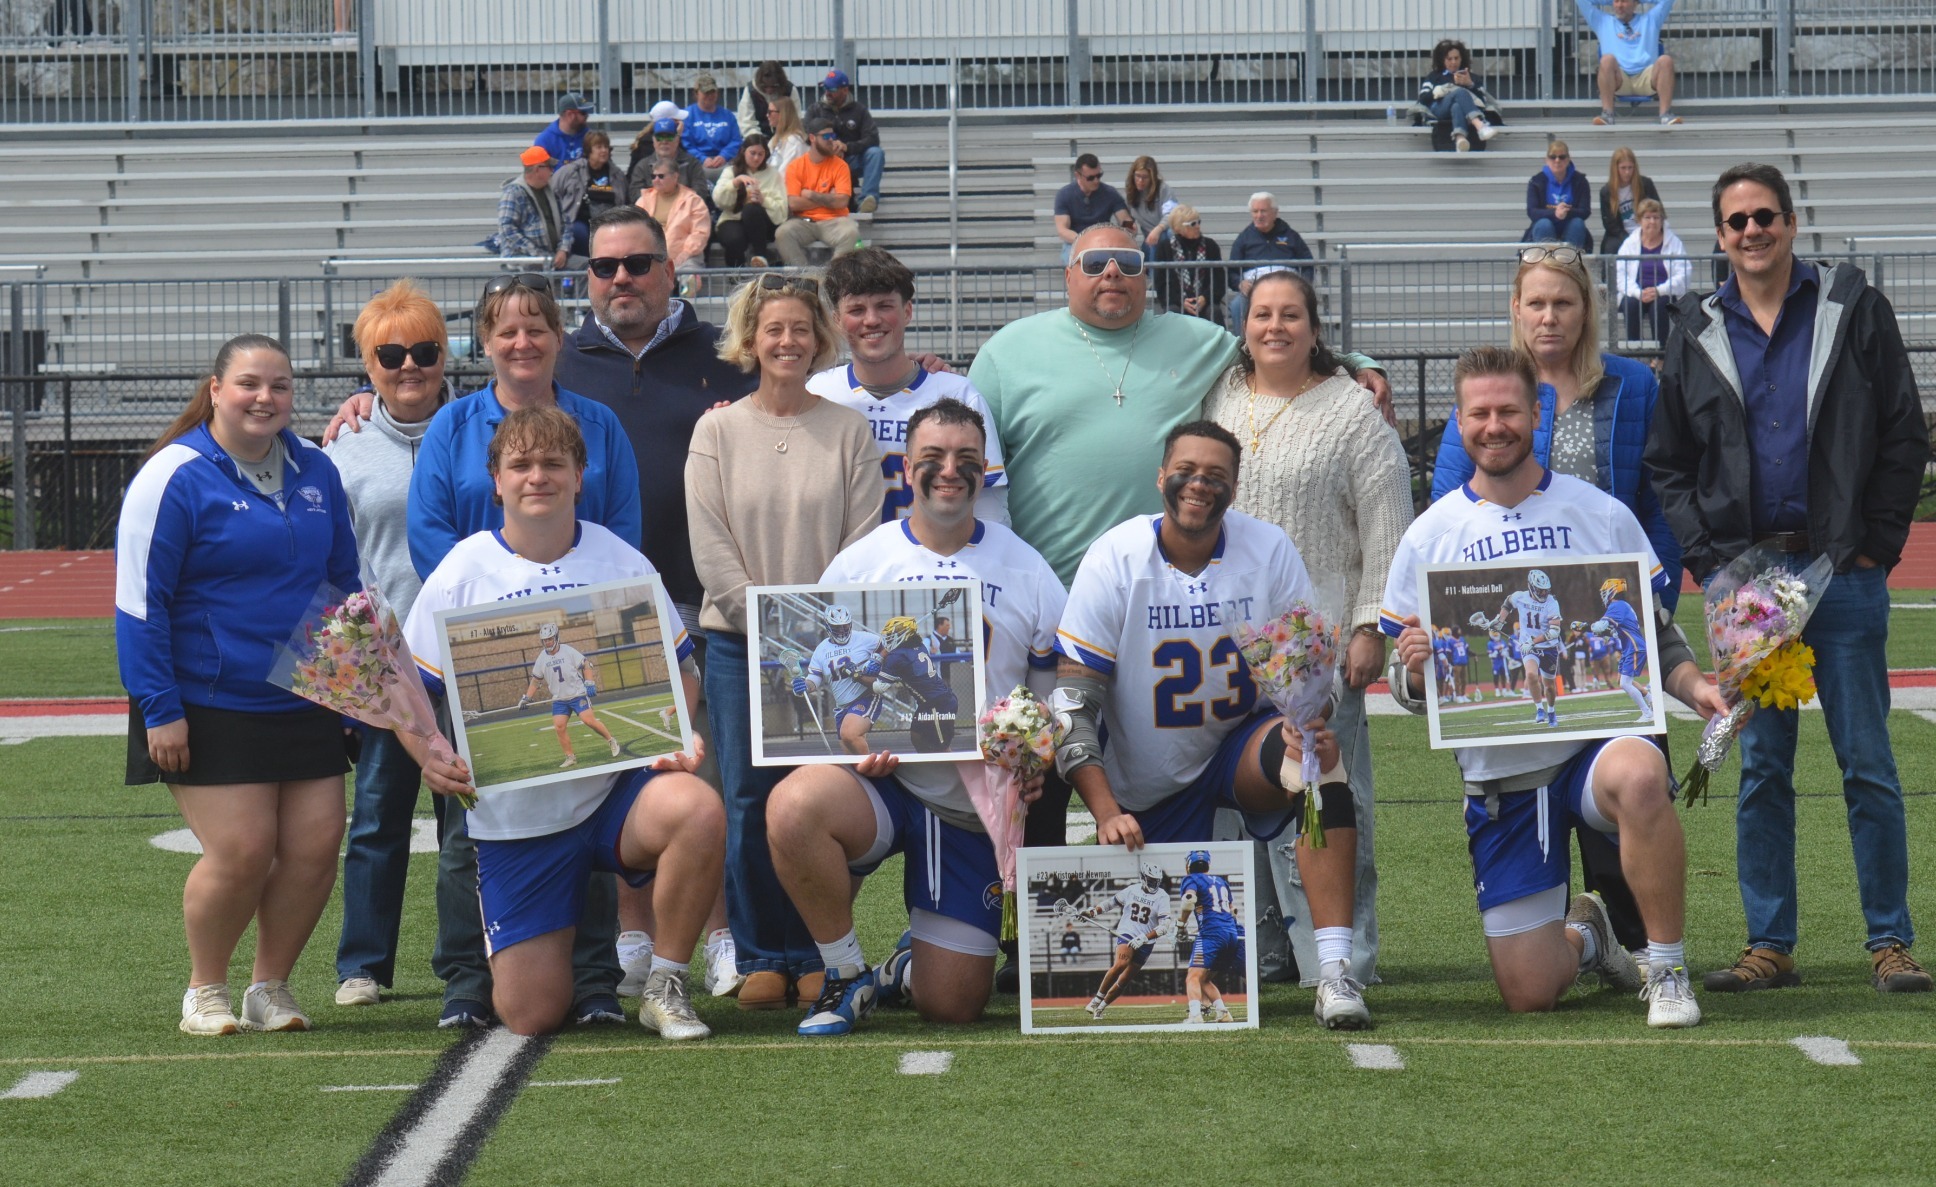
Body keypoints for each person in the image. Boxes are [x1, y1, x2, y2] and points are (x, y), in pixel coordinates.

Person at [1647, 161, 1932, 995]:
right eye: (1735, 221)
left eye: (1764, 215)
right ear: (1721, 234)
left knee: (1868, 761)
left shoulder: (1852, 306)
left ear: (1791, 221)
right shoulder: (1695, 325)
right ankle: (1769, 941)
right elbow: (1670, 462)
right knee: (1763, 768)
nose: (1752, 232)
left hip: (1840, 570)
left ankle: (1891, 940)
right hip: (1749, 580)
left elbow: (1902, 430)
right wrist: (1710, 563)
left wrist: (1874, 541)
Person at [1382, 345, 1724, 1027]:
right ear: (1460, 420)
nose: (1495, 424)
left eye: (1509, 409)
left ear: (1535, 412)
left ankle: (1668, 967)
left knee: (1640, 771)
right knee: (1529, 990)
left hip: (1591, 746)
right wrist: (1415, 666)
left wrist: (1695, 688)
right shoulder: (1430, 535)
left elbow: (1654, 633)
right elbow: (1407, 684)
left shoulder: (1598, 512)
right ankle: (1590, 934)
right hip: (1504, 778)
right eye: (1480, 412)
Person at [402, 406, 724, 1038]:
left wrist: (678, 731)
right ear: (495, 479)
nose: (538, 477)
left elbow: (683, 672)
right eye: (521, 464)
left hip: (614, 800)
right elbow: (411, 695)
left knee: (698, 807)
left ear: (580, 475)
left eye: (554, 463)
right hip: (517, 821)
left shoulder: (621, 560)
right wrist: (428, 755)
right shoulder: (461, 572)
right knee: (530, 1015)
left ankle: (665, 983)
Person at [1051, 420, 1370, 1029]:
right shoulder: (1116, 557)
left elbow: (1308, 676)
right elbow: (1073, 704)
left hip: (1238, 747)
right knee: (1146, 971)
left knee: (1319, 761)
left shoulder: (1267, 548)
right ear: (1161, 477)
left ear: (1235, 487)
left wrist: (1312, 721)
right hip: (1146, 780)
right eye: (1187, 471)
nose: (1199, 485)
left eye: (1216, 476)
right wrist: (1103, 809)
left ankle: (1334, 970)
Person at [767, 398, 1064, 1032]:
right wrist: (853, 753)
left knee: (950, 1007)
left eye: (964, 459)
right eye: (932, 458)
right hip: (886, 782)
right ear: (907, 466)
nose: (948, 471)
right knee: (794, 805)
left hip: (969, 804)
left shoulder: (1026, 567)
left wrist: (1038, 753)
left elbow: (1052, 696)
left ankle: (907, 964)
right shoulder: (862, 562)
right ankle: (844, 973)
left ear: (986, 469)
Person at [1432, 241, 1681, 953]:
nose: (1549, 316)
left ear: (1587, 310)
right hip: (1533, 635)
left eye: (1564, 302)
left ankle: (1640, 943)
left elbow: (1654, 497)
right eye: (1536, 302)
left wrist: (1652, 596)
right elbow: (1454, 493)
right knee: (1536, 777)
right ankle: (1575, 933)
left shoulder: (1632, 386)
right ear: (1517, 310)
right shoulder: (1491, 396)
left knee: (1630, 783)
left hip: (1608, 621)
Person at [118, 334, 360, 1036]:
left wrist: (350, 694)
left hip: (307, 695)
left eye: (280, 385)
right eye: (250, 383)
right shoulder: (174, 474)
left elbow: (345, 587)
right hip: (204, 701)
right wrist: (160, 709)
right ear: (216, 388)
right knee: (244, 849)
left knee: (317, 845)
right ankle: (206, 989)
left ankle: (270, 986)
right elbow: (140, 604)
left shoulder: (318, 469)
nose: (266, 397)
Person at [1204, 268, 1411, 989]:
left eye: (1291, 314)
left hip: (1315, 643)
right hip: (1227, 639)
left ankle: (1345, 951)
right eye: (1262, 314)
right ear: (1245, 325)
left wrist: (1370, 626)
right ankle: (1262, 947)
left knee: (1325, 791)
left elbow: (1388, 525)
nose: (1275, 327)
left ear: (1315, 328)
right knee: (1241, 798)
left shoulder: (1352, 409)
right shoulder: (1221, 394)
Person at [685, 274, 882, 1010]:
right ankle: (764, 949)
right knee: (747, 797)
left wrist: (809, 633)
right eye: (774, 329)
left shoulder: (848, 430)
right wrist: (770, 629)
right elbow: (710, 544)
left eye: (801, 328)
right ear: (750, 338)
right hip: (738, 644)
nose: (788, 342)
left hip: (830, 648)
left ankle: (816, 952)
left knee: (810, 799)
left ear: (819, 338)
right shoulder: (717, 431)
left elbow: (861, 545)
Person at [327, 281, 454, 1009]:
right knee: (377, 814)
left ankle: (463, 957)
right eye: (392, 353)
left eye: (425, 350)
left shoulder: (472, 428)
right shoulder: (341, 444)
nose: (410, 365)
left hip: (462, 651)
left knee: (467, 815)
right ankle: (363, 964)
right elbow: (334, 563)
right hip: (382, 660)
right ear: (367, 365)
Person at [406, 274, 640, 580]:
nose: (522, 343)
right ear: (487, 342)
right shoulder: (451, 426)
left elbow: (623, 530)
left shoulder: (601, 424)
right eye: (507, 333)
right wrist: (499, 595)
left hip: (586, 609)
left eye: (535, 331)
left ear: (558, 337)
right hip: (483, 614)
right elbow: (428, 533)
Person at [809, 247, 1009, 523]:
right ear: (836, 321)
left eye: (884, 306)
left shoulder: (957, 393)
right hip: (845, 562)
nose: (871, 320)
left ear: (907, 311)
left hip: (929, 562)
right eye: (856, 309)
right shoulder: (820, 391)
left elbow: (989, 504)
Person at [1075, 861, 1174, 1020]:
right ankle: (1096, 1000)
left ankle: (1100, 1008)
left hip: (1146, 942)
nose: (1153, 884)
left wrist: (1144, 938)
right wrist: (1092, 912)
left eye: (1156, 881)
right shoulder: (1132, 890)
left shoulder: (1162, 896)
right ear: (1142, 877)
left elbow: (1165, 926)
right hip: (1127, 933)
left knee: (1125, 980)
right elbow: (1111, 903)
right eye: (1150, 880)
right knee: (1121, 964)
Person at [520, 622, 623, 768]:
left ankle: (611, 740)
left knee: (588, 720)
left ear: (556, 637)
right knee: (559, 726)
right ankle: (570, 757)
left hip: (577, 694)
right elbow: (536, 681)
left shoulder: (568, 651)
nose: (547, 642)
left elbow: (586, 664)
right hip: (559, 699)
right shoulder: (542, 658)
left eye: (549, 639)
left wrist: (590, 682)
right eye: (545, 640)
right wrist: (526, 697)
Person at [791, 607, 887, 755]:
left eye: (845, 626)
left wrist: (878, 662)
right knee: (849, 756)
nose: (842, 631)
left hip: (865, 696)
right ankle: (861, 775)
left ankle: (871, 769)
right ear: (828, 627)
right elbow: (815, 678)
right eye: (837, 627)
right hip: (842, 706)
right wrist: (805, 685)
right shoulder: (821, 649)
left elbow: (888, 648)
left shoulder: (866, 639)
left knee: (849, 734)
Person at [1576, 0, 1682, 126]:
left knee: (1666, 61)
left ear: (1635, 4)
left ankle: (1665, 115)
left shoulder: (1651, 20)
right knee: (1607, 60)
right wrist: (1611, 1)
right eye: (1616, 1)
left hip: (1647, 77)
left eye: (1624, 1)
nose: (1619, 5)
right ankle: (1607, 114)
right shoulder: (1602, 21)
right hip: (1619, 78)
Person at [777, 119, 864, 265]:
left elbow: (842, 201)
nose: (831, 140)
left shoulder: (841, 166)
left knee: (852, 233)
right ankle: (805, 278)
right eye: (825, 136)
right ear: (812, 138)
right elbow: (793, 204)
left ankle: (832, 278)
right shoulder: (796, 166)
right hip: (804, 221)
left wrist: (812, 195)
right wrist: (829, 197)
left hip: (835, 220)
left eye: (832, 136)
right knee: (782, 233)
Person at [1177, 849, 1245, 1025]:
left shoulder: (1191, 879)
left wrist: (1181, 926)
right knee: (1204, 979)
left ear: (1189, 865)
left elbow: (1189, 899)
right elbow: (1232, 911)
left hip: (1211, 934)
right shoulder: (1221, 881)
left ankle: (1195, 1016)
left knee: (1192, 976)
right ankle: (1223, 1012)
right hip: (1231, 935)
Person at [1227, 193, 1313, 326]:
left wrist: (1302, 286)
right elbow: (1232, 271)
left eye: (1263, 211)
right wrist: (1240, 283)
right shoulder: (1243, 238)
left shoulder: (1291, 236)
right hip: (1255, 291)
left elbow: (1308, 265)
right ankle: (1244, 346)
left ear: (1275, 212)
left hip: (1288, 290)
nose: (1259, 216)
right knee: (1238, 305)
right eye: (1255, 211)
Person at [806, 68, 884, 214]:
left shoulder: (859, 110)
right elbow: (807, 136)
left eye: (832, 89)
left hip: (851, 159)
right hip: (825, 160)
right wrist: (829, 148)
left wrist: (847, 147)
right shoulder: (815, 110)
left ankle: (868, 199)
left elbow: (873, 138)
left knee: (875, 153)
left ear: (845, 90)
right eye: (825, 87)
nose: (827, 92)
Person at [1615, 199, 1690, 344]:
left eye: (1656, 217)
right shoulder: (1629, 243)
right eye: (1647, 217)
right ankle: (1634, 350)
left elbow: (1683, 274)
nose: (1652, 222)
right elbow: (1620, 275)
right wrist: (1638, 293)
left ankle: (1660, 357)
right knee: (1630, 304)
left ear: (1662, 220)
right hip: (1636, 292)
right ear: (1639, 220)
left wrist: (1659, 290)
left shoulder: (1674, 242)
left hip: (1664, 292)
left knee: (1661, 306)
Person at [712, 133, 786, 268]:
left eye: (760, 154)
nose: (756, 158)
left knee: (752, 208)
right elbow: (718, 199)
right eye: (752, 153)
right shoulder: (731, 171)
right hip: (733, 219)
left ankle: (761, 257)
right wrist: (735, 182)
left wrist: (763, 200)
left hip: (762, 223)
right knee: (734, 240)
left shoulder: (773, 174)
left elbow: (782, 211)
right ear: (743, 151)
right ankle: (736, 279)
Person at [633, 158, 710, 285]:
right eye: (653, 176)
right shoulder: (643, 200)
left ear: (675, 177)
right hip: (651, 257)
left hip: (685, 257)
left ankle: (689, 296)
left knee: (690, 275)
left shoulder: (693, 200)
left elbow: (700, 232)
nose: (656, 180)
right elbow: (635, 230)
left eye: (661, 176)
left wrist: (687, 251)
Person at [552, 131, 629, 259]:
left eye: (606, 147)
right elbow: (553, 193)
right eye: (599, 147)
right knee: (578, 233)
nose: (604, 151)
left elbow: (625, 202)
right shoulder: (570, 171)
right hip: (580, 222)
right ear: (589, 150)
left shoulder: (617, 175)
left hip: (609, 224)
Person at [1418, 39, 1502, 152]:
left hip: (1459, 111)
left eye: (1456, 58)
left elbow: (1482, 101)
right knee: (1460, 92)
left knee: (1457, 106)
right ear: (1442, 60)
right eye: (1449, 59)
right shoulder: (1434, 76)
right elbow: (1423, 98)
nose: (1453, 62)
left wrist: (1470, 84)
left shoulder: (1472, 77)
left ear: (1462, 58)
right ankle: (1480, 126)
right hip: (1439, 109)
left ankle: (1460, 138)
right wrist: (1440, 91)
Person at [497, 146, 571, 271]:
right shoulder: (513, 193)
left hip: (553, 258)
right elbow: (507, 229)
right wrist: (537, 255)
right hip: (523, 261)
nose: (552, 172)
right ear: (537, 169)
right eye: (549, 167)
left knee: (584, 266)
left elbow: (566, 224)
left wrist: (563, 250)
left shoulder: (552, 191)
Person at [1153, 204, 1227, 325]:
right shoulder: (1164, 247)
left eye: (1198, 222)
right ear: (1178, 228)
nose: (1198, 226)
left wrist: (1205, 298)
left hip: (1205, 302)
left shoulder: (1210, 246)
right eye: (1193, 224)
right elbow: (1161, 284)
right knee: (1173, 312)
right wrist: (1181, 301)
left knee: (1214, 311)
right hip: (1177, 302)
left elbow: (1219, 280)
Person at [1052, 153, 1132, 263]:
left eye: (1099, 175)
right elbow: (1062, 230)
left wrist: (1130, 227)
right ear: (1077, 175)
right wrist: (1084, 241)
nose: (1096, 181)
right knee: (1077, 263)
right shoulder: (1064, 195)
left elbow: (1125, 219)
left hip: (1104, 243)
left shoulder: (1110, 193)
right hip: (1075, 244)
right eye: (1091, 178)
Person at [1524, 143, 1591, 249]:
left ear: (1569, 159)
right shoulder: (1536, 181)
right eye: (1553, 157)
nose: (1557, 160)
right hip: (1544, 227)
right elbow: (1532, 212)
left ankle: (1570, 262)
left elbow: (1585, 211)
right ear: (1546, 160)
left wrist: (1566, 211)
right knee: (1543, 224)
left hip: (1571, 226)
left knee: (1577, 223)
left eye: (1562, 157)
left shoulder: (1580, 181)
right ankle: (1548, 263)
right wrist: (1555, 213)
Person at [1598, 146, 1661, 253]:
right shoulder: (1606, 192)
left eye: (1630, 168)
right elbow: (1610, 224)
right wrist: (1629, 239)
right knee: (1610, 248)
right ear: (1615, 168)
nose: (1627, 172)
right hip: (1620, 234)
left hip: (1646, 230)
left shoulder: (1645, 184)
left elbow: (1658, 210)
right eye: (1623, 168)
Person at [682, 72, 741, 184]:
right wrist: (702, 158)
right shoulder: (687, 115)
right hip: (697, 163)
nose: (710, 95)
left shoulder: (728, 115)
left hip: (725, 162)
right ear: (696, 93)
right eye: (706, 92)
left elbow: (736, 140)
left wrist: (724, 156)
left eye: (712, 92)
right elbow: (686, 144)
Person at [627, 118, 705, 198]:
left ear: (677, 139)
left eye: (669, 137)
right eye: (659, 137)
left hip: (685, 208)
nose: (664, 142)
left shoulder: (692, 164)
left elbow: (700, 192)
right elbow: (635, 195)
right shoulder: (642, 166)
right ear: (653, 140)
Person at [1121, 155, 1177, 257]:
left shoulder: (1163, 190)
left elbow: (1171, 215)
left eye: (1145, 177)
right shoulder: (1130, 193)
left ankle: (1154, 273)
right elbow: (1125, 218)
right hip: (1148, 237)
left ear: (1152, 178)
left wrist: (1158, 229)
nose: (1140, 181)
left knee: (1160, 240)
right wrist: (1130, 226)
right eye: (1137, 176)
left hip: (1166, 235)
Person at [736, 60, 792, 140]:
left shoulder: (789, 90)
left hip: (785, 137)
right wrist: (761, 141)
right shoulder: (750, 90)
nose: (769, 90)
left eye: (773, 86)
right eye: (765, 86)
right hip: (757, 138)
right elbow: (746, 124)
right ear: (759, 82)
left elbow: (795, 121)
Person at [534, 91, 594, 164]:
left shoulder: (591, 137)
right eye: (583, 113)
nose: (587, 116)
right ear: (569, 114)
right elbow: (539, 171)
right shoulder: (545, 141)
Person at [766, 95, 808, 178]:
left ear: (782, 114)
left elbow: (785, 174)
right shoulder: (775, 139)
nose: (767, 115)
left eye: (770, 112)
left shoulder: (794, 141)